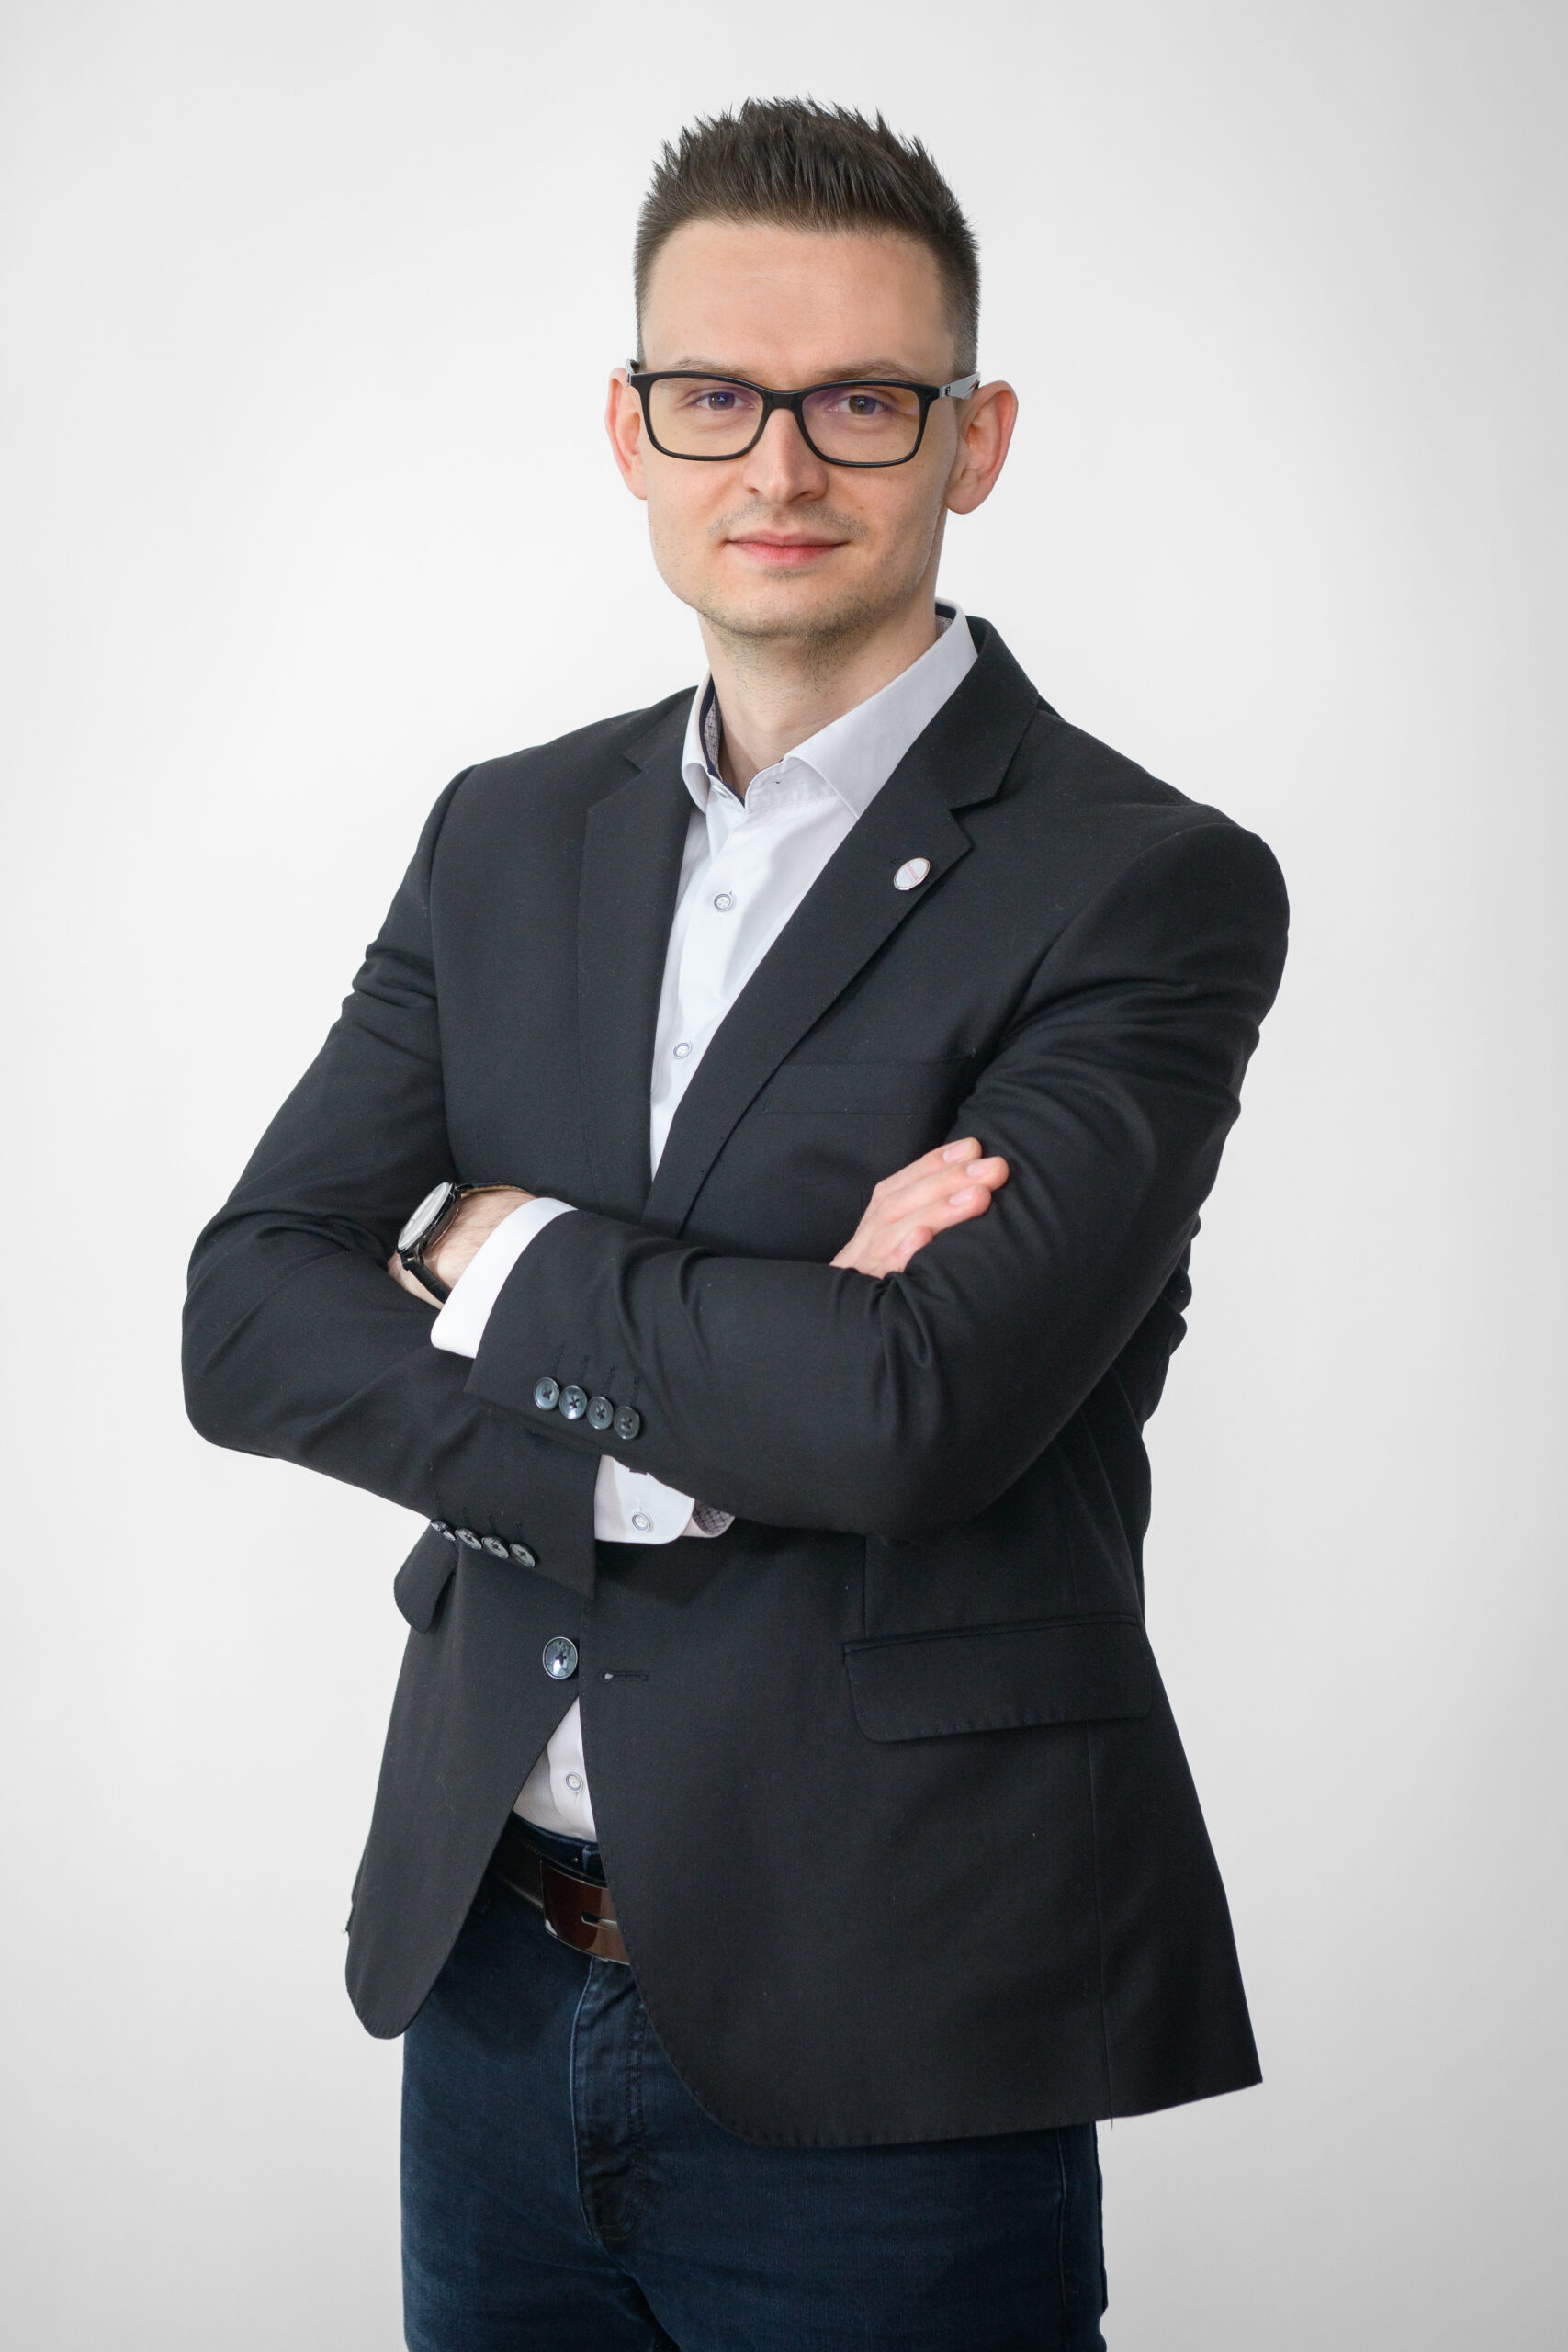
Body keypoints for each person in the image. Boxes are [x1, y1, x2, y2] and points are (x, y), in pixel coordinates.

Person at [184, 96, 1288, 2352]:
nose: (778, 464)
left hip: (890, 2020)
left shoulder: (1139, 884)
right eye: (714, 396)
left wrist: (488, 1247)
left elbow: (908, 1412)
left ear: (972, 438)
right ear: (631, 428)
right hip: (490, 1982)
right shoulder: (504, 835)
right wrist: (667, 1428)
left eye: (859, 400)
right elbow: (247, 1314)